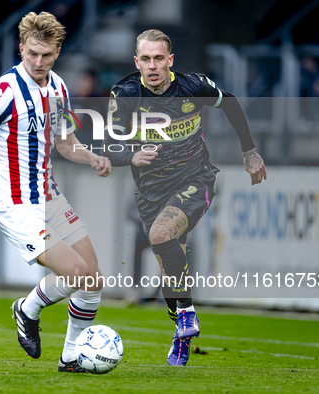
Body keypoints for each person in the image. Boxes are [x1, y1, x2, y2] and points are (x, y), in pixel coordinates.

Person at [0, 12, 111, 372]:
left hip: (49, 196)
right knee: (76, 272)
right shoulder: (4, 90)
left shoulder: (57, 86)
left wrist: (90, 157)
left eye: (46, 55)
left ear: (58, 51)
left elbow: (65, 142)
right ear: (20, 48)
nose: (38, 63)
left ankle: (71, 357)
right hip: (14, 204)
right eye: (32, 55)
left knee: (94, 280)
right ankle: (27, 310)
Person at [102, 29, 267, 366]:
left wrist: (249, 151)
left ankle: (188, 315)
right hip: (150, 193)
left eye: (159, 58)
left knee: (160, 236)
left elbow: (231, 104)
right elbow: (108, 145)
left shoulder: (194, 86)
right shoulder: (125, 94)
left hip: (196, 178)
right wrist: (131, 154)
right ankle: (182, 335)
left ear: (170, 60)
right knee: (170, 272)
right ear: (137, 62)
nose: (152, 66)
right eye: (145, 59)